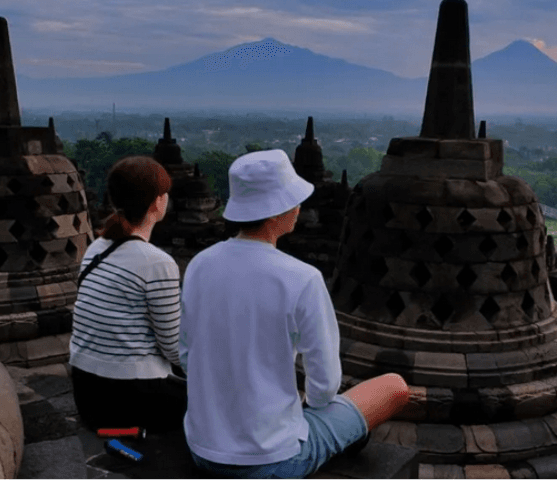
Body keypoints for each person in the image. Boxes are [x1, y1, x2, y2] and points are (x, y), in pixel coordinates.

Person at [179, 149, 409, 479]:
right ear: (276, 213)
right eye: (293, 201)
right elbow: (325, 386)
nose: (299, 208)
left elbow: (187, 357)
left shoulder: (200, 265)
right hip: (271, 460)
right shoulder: (301, 278)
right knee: (394, 387)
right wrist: (299, 407)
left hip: (202, 447)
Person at [69, 155, 186, 432]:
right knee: (226, 403)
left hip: (87, 392)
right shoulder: (157, 263)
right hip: (131, 396)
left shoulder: (97, 247)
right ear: (159, 202)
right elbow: (174, 348)